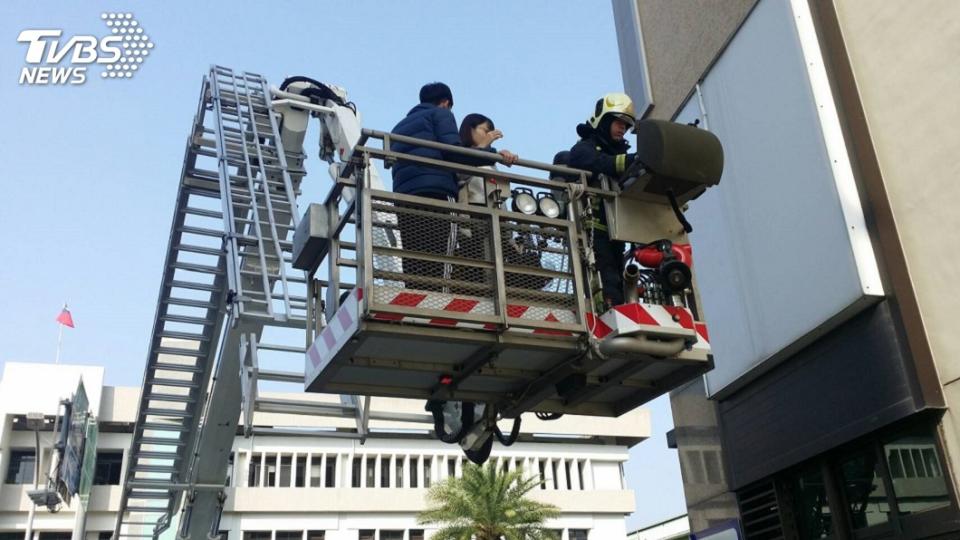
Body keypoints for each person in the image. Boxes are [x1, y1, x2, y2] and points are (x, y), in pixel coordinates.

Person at [390, 83, 518, 291]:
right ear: (446, 103)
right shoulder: (441, 114)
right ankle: (440, 297)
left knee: (414, 254)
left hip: (405, 196)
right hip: (438, 191)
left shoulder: (399, 127)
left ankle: (416, 296)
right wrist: (494, 154)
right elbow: (453, 154)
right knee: (443, 254)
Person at [567, 92, 639, 308]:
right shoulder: (583, 149)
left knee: (621, 279)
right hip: (593, 233)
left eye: (626, 126)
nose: (622, 129)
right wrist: (631, 161)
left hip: (617, 232)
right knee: (606, 282)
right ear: (604, 120)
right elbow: (601, 163)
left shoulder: (620, 155)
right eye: (618, 122)